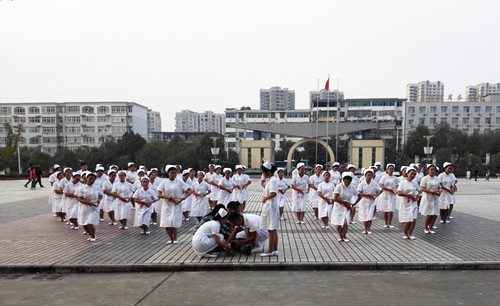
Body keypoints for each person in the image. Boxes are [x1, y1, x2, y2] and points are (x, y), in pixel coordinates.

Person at [157, 164, 188, 244]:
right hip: (167, 205)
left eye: (175, 173)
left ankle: (175, 238)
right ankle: (170, 238)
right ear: (168, 173)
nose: (173, 174)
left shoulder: (179, 182)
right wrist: (169, 198)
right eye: (172, 173)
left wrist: (182, 198)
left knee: (174, 223)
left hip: (176, 205)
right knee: (167, 224)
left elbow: (190, 190)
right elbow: (159, 194)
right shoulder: (164, 182)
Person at [332, 172, 361, 242]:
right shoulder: (339, 186)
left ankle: (344, 235)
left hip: (347, 207)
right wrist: (344, 202)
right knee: (338, 224)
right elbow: (335, 198)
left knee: (345, 223)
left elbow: (359, 196)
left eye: (349, 182)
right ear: (343, 180)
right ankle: (340, 235)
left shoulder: (352, 187)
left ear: (351, 181)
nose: (347, 183)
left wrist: (354, 204)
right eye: (345, 181)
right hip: (338, 206)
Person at [259, 161, 279, 257]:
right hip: (271, 206)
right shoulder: (271, 180)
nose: (263, 174)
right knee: (273, 229)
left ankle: (270, 250)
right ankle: (275, 249)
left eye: (263, 172)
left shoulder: (273, 180)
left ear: (268, 172)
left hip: (271, 206)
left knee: (271, 229)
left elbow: (273, 193)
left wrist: (265, 198)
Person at [76, 172, 103, 242]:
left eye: (93, 180)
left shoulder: (97, 187)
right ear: (86, 178)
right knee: (84, 224)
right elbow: (79, 198)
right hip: (85, 207)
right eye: (90, 179)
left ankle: (93, 236)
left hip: (94, 207)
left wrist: (99, 200)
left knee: (90, 222)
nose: (91, 181)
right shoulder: (82, 188)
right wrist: (87, 202)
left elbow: (100, 195)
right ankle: (91, 234)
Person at [397, 166, 421, 240]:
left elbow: (420, 190)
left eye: (414, 174)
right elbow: (399, 193)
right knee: (407, 220)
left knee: (413, 220)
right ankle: (405, 233)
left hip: (413, 203)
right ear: (407, 173)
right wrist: (408, 195)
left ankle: (410, 233)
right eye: (411, 174)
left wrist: (417, 196)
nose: (413, 176)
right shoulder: (403, 182)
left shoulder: (414, 183)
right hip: (405, 203)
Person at [357, 168, 382, 235]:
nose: (369, 177)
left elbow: (381, 190)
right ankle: (365, 229)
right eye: (368, 175)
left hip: (371, 201)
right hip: (364, 201)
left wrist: (375, 195)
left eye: (370, 175)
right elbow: (359, 192)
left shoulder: (374, 183)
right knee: (365, 215)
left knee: (370, 215)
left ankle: (368, 229)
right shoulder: (362, 184)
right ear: (365, 176)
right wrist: (367, 194)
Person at [420, 164, 441, 234]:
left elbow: (439, 187)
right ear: (428, 170)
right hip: (427, 198)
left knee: (435, 214)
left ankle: (431, 227)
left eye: (434, 170)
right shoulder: (425, 178)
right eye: (431, 170)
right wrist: (431, 192)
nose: (433, 171)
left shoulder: (437, 178)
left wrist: (439, 192)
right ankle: (426, 227)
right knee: (429, 214)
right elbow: (423, 188)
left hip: (435, 198)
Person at [378, 164, 398, 229]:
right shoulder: (384, 177)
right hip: (385, 195)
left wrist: (396, 191)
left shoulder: (395, 178)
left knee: (391, 209)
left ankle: (390, 223)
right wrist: (388, 189)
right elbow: (381, 185)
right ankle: (386, 223)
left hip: (392, 195)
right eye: (390, 169)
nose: (391, 170)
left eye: (392, 169)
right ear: (387, 170)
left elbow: (397, 186)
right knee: (385, 209)